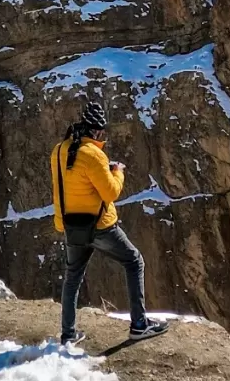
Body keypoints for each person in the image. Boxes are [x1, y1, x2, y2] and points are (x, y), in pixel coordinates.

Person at [50, 101, 168, 347]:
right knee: (134, 261)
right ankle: (139, 325)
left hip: (72, 227)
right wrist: (117, 171)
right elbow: (111, 192)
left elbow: (61, 189)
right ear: (95, 131)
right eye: (101, 133)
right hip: (100, 226)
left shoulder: (59, 150)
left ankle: (68, 334)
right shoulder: (94, 155)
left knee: (72, 277)